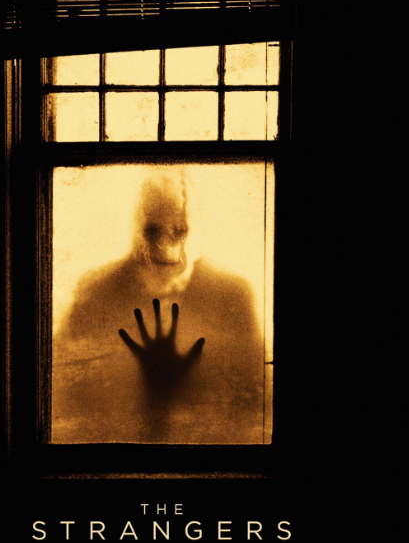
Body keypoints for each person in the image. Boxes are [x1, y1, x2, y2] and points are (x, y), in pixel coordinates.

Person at [52, 169, 266, 444]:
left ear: (197, 228)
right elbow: (63, 409)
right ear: (136, 228)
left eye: (179, 230)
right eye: (152, 230)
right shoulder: (96, 293)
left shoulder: (233, 297)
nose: (165, 248)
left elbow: (254, 415)